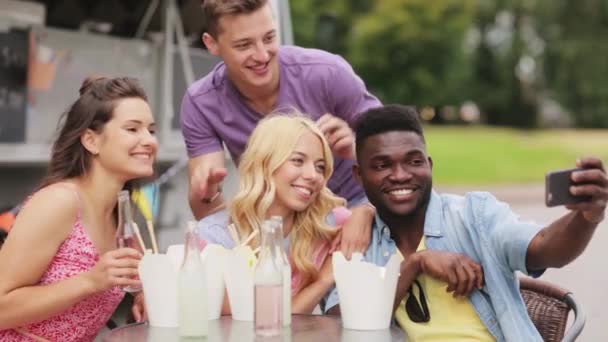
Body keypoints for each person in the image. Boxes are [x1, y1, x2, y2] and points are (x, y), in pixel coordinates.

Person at [326, 104, 607, 341]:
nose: (400, 175)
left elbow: (545, 247)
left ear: (429, 165)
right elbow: (338, 327)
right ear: (359, 177)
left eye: (413, 162)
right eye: (382, 165)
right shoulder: (360, 239)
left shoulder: (475, 215)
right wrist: (415, 264)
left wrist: (586, 217)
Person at [181, 0, 381, 256]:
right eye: (244, 45)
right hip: (279, 224)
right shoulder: (202, 102)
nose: (262, 55)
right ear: (212, 44)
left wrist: (356, 147)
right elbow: (208, 213)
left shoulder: (327, 72)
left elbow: (400, 150)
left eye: (269, 38)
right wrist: (205, 192)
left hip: (357, 208)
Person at [0, 77, 157, 341]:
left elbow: (130, 278)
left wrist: (142, 294)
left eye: (151, 130)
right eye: (133, 129)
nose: (149, 141)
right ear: (91, 141)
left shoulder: (122, 211)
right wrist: (90, 282)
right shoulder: (58, 202)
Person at [198, 114, 375, 313]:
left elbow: (391, 217)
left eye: (320, 167)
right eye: (298, 161)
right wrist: (324, 279)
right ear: (264, 163)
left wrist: (365, 212)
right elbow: (264, 321)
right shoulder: (215, 236)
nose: (312, 176)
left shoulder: (330, 224)